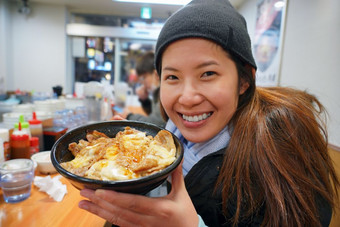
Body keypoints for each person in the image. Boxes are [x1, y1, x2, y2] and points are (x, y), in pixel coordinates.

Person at [78, 0, 339, 226]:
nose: (188, 97)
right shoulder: (172, 139)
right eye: (172, 77)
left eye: (208, 74)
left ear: (244, 80)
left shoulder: (282, 151)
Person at [113, 51, 166, 128]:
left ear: (156, 74)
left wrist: (129, 115)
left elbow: (154, 123)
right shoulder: (157, 92)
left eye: (144, 78)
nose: (143, 83)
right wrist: (144, 100)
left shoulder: (163, 94)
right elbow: (153, 115)